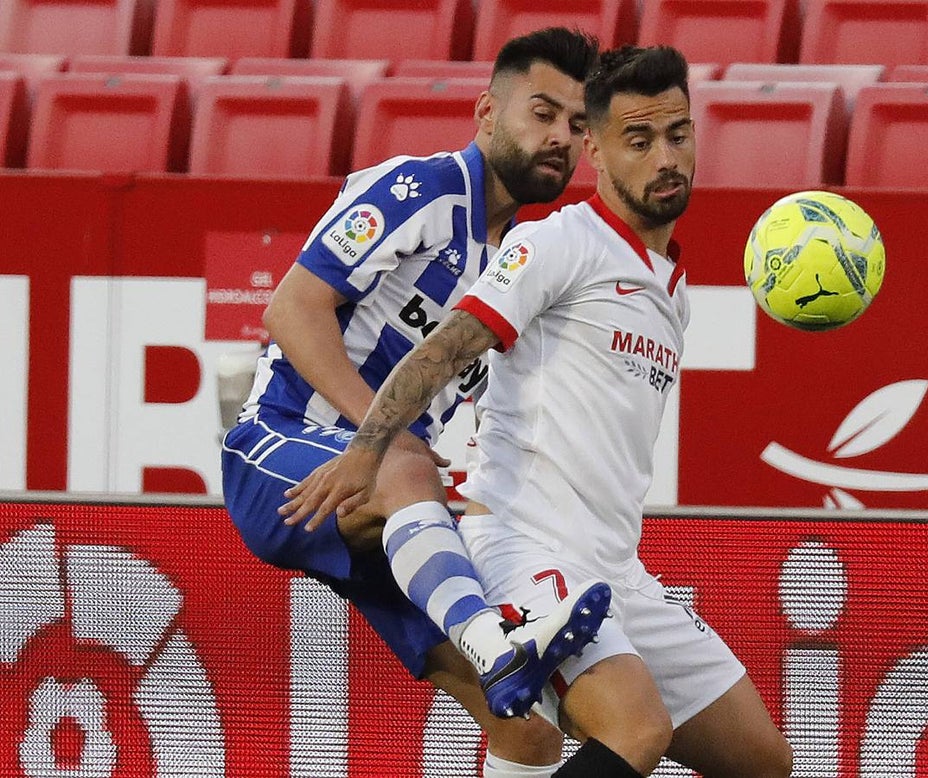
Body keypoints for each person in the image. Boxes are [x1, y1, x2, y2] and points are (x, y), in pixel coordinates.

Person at [281, 44, 793, 778]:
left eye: (678, 134)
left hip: (618, 569)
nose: (665, 157)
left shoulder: (670, 285)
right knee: (635, 730)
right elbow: (442, 350)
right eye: (638, 141)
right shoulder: (556, 243)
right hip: (528, 551)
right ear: (596, 150)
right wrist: (367, 450)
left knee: (763, 761)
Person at [222, 28, 610, 778]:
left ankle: (491, 653)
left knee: (527, 733)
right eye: (542, 112)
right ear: (486, 113)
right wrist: (380, 436)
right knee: (403, 458)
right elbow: (292, 308)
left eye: (576, 125)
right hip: (279, 449)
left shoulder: (518, 263)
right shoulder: (417, 190)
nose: (560, 137)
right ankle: (496, 642)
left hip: (387, 508)